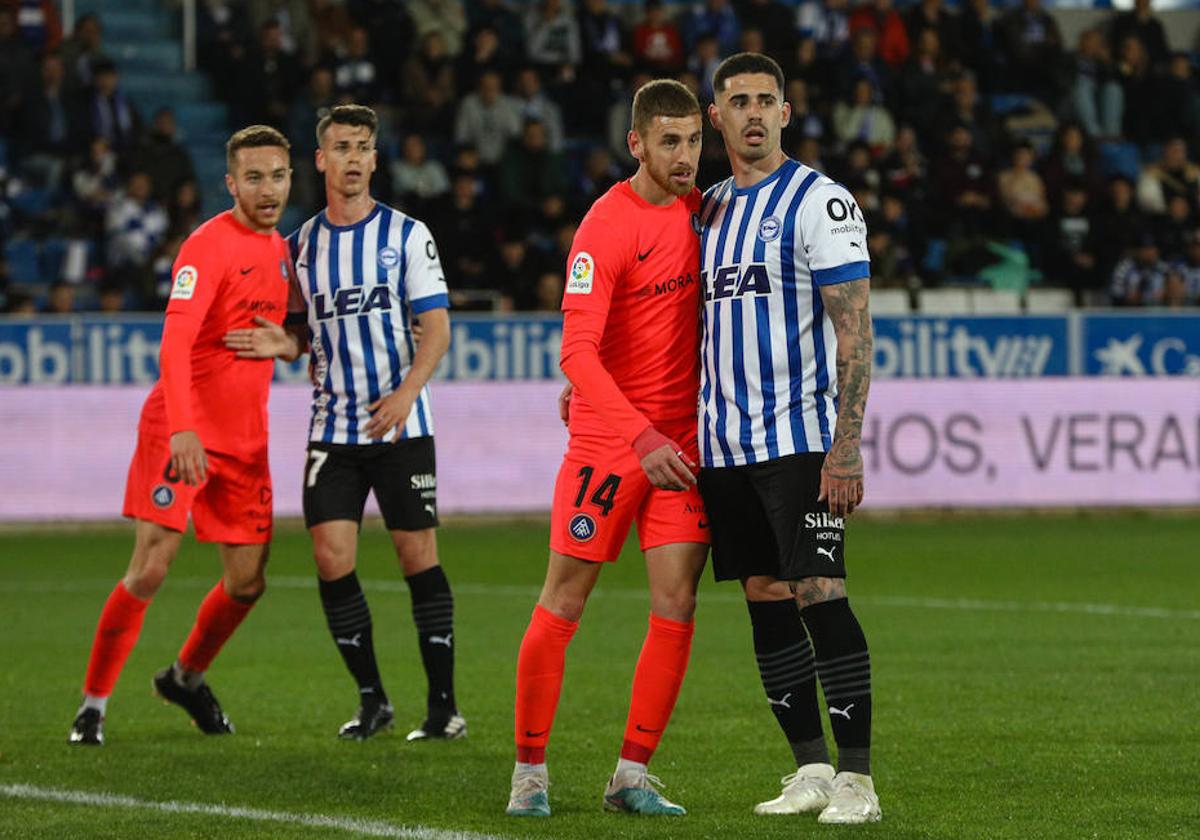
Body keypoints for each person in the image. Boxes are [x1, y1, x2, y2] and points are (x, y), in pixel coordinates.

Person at [225, 105, 462, 742]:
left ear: (375, 159)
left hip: (401, 428)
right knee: (331, 559)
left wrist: (407, 393)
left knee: (418, 558)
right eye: (341, 147)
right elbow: (302, 329)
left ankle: (443, 707)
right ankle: (373, 699)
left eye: (363, 147)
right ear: (321, 159)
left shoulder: (408, 235)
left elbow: (436, 328)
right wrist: (288, 346)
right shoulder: (299, 247)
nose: (353, 158)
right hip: (333, 428)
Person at [505, 79, 708, 818]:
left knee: (677, 602)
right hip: (611, 442)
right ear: (637, 144)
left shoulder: (704, 212)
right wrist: (636, 432)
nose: (685, 157)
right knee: (564, 601)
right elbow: (577, 354)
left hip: (681, 445)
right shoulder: (604, 227)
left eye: (693, 141)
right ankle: (530, 774)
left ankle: (631, 775)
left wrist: (669, 434)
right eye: (669, 142)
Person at [697, 52, 881, 824]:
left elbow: (855, 330)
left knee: (819, 591)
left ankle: (858, 781)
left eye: (764, 100)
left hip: (799, 439)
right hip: (723, 445)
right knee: (765, 595)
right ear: (716, 116)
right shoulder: (702, 210)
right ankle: (807, 769)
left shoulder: (819, 201)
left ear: (786, 111)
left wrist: (846, 445)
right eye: (737, 100)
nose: (751, 113)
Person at [68, 125, 295, 746]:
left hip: (246, 444)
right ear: (231, 183)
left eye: (277, 175)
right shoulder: (207, 247)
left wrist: (292, 344)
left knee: (248, 582)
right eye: (253, 177)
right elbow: (174, 340)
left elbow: (300, 334)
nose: (267, 188)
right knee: (150, 567)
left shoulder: (285, 252)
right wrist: (185, 430)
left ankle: (186, 678)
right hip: (182, 429)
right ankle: (93, 706)